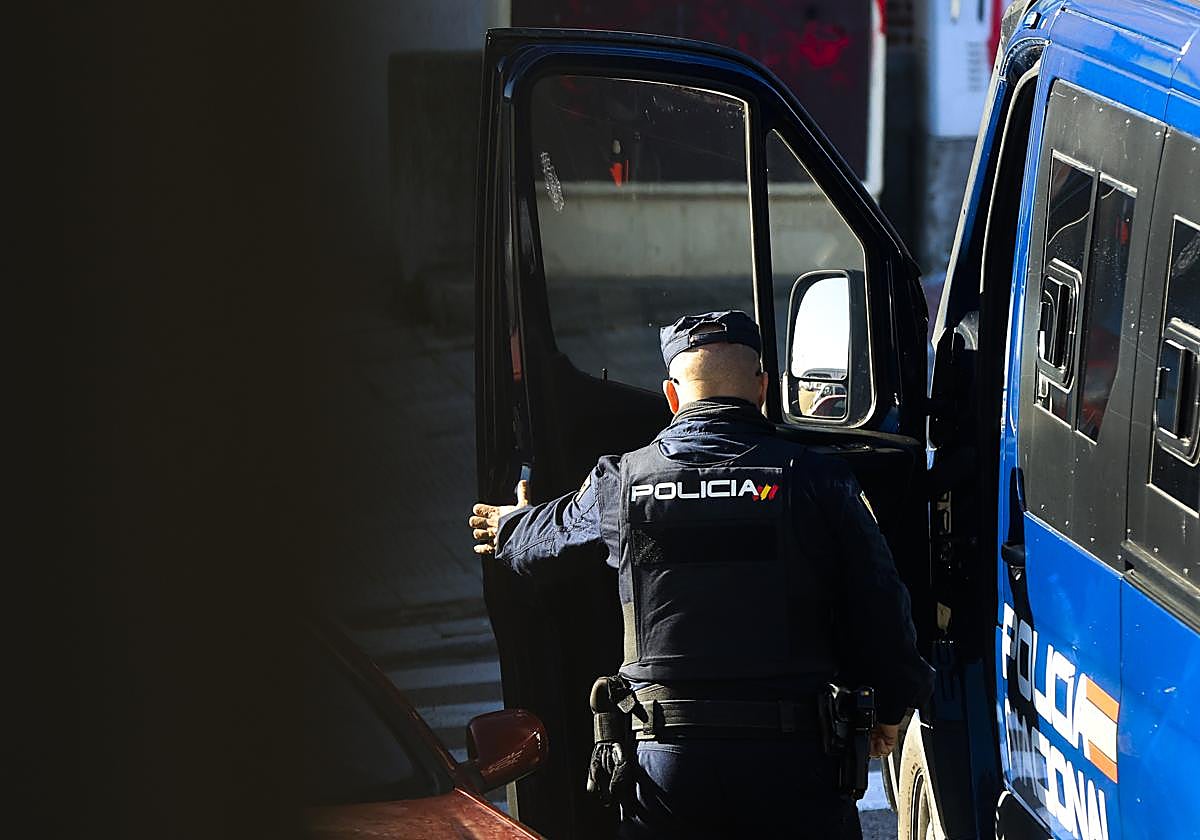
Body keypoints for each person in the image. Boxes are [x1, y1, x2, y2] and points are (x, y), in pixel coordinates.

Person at [469, 310, 934, 839]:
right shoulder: (815, 476)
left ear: (672, 395)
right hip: (794, 765)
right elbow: (880, 602)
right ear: (762, 388)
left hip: (668, 767)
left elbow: (542, 543)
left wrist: (512, 523)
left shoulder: (623, 480)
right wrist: (892, 708)